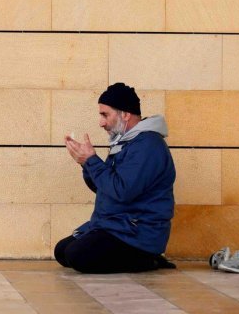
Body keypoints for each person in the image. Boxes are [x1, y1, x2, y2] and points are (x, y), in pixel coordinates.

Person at [55, 82, 176, 273]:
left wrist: (92, 161)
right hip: (117, 226)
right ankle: (138, 257)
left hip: (137, 233)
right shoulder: (126, 142)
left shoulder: (148, 145)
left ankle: (147, 259)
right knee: (62, 251)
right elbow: (104, 188)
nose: (101, 123)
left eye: (105, 115)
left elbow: (122, 191)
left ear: (125, 114)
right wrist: (85, 163)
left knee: (77, 255)